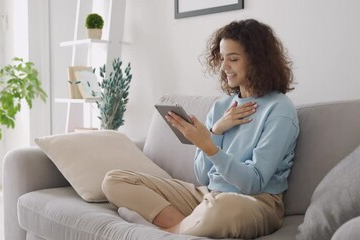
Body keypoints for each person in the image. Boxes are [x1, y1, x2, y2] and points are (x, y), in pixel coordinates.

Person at [102, 19, 299, 239]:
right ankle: (185, 226)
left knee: (223, 208)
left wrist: (209, 147)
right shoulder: (221, 107)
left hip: (255, 202)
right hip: (208, 196)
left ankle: (169, 231)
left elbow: (253, 184)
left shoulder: (279, 110)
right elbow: (203, 177)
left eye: (233, 59)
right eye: (222, 58)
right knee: (114, 180)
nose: (224, 67)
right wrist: (215, 132)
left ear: (258, 61)